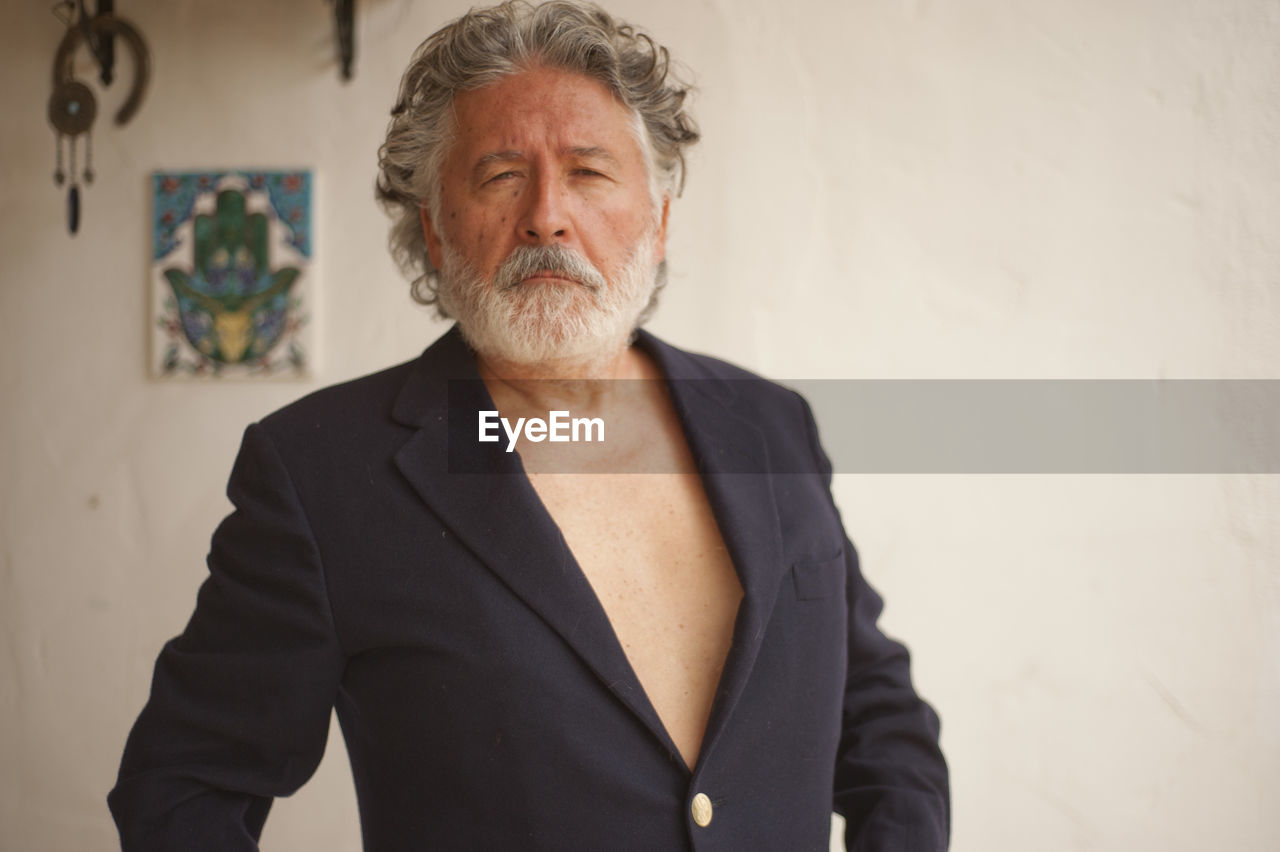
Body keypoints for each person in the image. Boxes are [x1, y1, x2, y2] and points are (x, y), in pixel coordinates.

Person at [108, 2, 950, 849]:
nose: (546, 215)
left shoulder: (772, 427)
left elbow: (884, 731)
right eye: (501, 174)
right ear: (434, 231)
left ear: (657, 223)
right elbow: (181, 790)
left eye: (588, 172)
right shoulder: (323, 475)